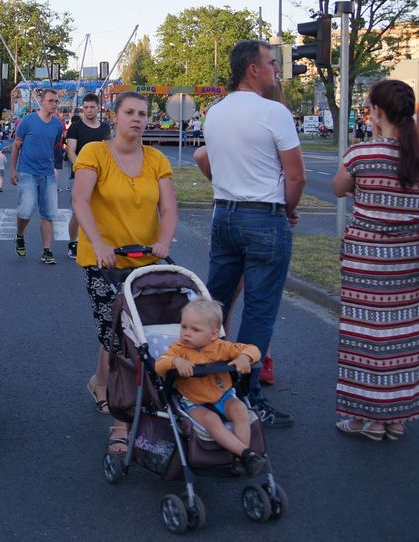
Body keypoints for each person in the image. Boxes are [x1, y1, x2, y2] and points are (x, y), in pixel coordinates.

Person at [202, 40, 304, 429]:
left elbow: (208, 160)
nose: (277, 68)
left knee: (216, 304)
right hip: (264, 216)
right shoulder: (273, 112)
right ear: (253, 69)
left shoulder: (215, 112)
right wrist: (288, 209)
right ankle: (247, 396)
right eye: (271, 62)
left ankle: (204, 384)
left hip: (223, 215)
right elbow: (295, 175)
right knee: (259, 311)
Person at [71, 90, 177, 456]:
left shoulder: (157, 159)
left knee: (142, 336)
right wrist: (98, 244)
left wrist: (164, 242)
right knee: (118, 339)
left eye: (143, 114)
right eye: (129, 112)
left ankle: (100, 384)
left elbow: (170, 209)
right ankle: (121, 419)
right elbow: (80, 200)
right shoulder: (95, 153)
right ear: (114, 116)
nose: (137, 119)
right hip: (105, 261)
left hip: (147, 261)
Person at [331, 79, 419, 441]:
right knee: (402, 335)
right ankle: (395, 418)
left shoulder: (362, 154)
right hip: (407, 260)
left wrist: (361, 187)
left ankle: (364, 417)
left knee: (364, 337)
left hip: (365, 262)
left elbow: (338, 188)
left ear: (377, 112)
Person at [154, 299, 267, 475]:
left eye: (195, 329)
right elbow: (159, 365)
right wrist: (175, 362)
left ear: (213, 334)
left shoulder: (222, 347)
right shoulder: (179, 350)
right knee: (212, 421)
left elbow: (253, 349)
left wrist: (245, 357)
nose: (187, 333)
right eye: (184, 327)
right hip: (195, 403)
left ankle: (239, 460)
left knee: (240, 410)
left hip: (224, 397)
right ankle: (246, 454)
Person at [10, 89, 64, 264]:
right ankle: (20, 235)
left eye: (56, 101)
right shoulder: (27, 121)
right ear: (42, 101)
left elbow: (54, 144)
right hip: (27, 172)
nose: (54, 104)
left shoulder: (57, 125)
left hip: (47, 173)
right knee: (25, 211)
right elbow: (16, 145)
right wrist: (13, 170)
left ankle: (47, 251)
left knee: (48, 214)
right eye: (50, 101)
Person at [65, 93, 112, 259]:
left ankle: (99, 242)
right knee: (78, 211)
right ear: (82, 108)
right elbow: (70, 150)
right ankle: (73, 242)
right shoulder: (75, 128)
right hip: (79, 174)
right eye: (86, 107)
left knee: (102, 210)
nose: (89, 110)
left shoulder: (105, 128)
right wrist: (80, 169)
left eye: (92, 107)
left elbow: (109, 150)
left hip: (102, 175)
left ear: (98, 108)